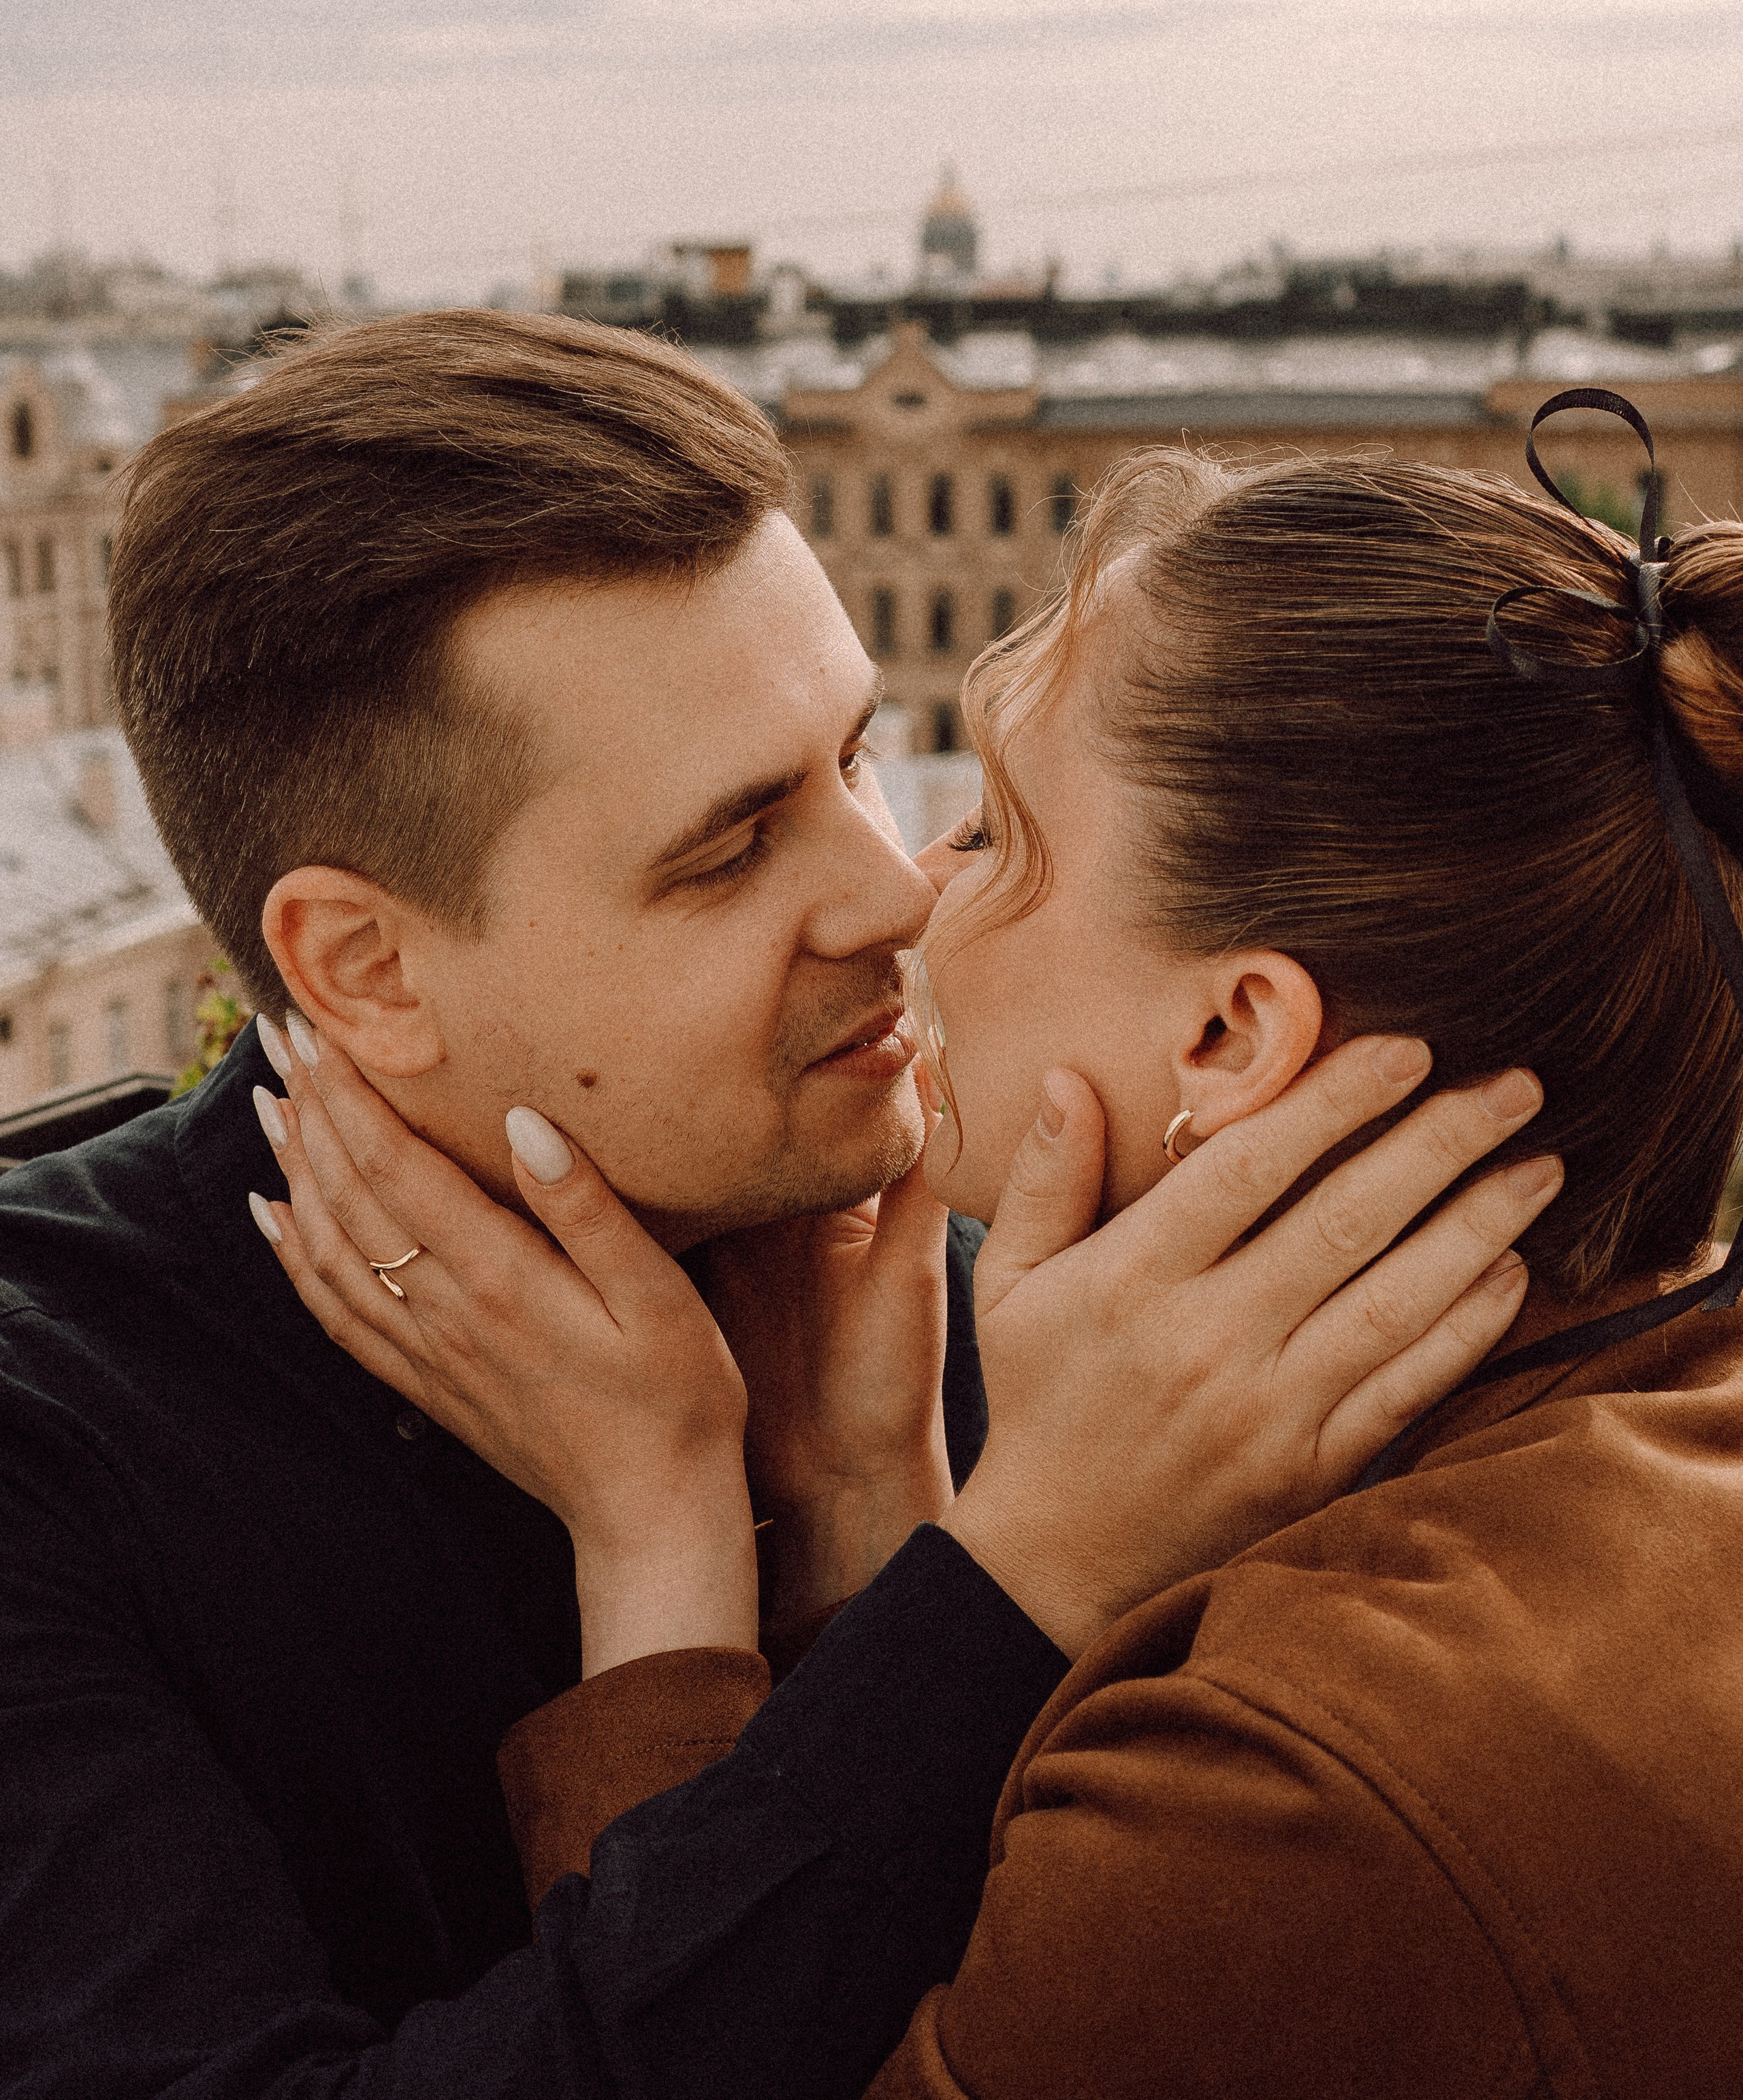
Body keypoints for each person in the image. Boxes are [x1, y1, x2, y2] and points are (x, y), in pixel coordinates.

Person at [0, 309, 1537, 2100]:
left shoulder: (1025, 1298)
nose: (895, 894)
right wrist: (1001, 1589)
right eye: (732, 846)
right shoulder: (52, 1453)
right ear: (364, 970)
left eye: (863, 757)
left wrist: (865, 1544)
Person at [266, 389, 1743, 2098]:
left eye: (994, 829)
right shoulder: (1634, 1459)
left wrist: (664, 1550)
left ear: (1228, 1037)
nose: (907, 892)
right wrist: (865, 1538)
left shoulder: (1294, 1790)